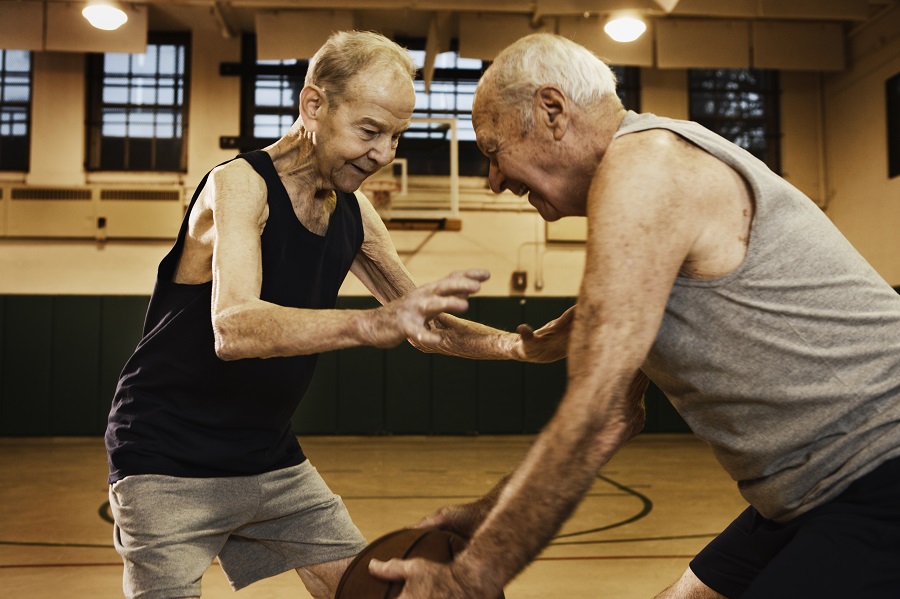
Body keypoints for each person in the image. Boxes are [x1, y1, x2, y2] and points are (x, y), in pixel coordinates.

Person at [369, 32, 900, 598]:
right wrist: (486, 515)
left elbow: (595, 414)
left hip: (879, 472)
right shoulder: (643, 190)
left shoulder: (648, 168)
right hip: (811, 492)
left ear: (552, 111)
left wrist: (474, 577)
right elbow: (620, 415)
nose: (494, 182)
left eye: (493, 150)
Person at [105, 30, 569, 599]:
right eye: (370, 131)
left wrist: (523, 347)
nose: (384, 153)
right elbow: (233, 326)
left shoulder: (355, 214)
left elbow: (421, 325)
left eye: (397, 136)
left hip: (270, 460)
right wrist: (368, 323)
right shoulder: (238, 186)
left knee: (375, 594)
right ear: (313, 105)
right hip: (165, 459)